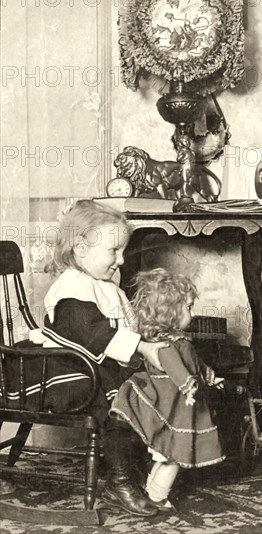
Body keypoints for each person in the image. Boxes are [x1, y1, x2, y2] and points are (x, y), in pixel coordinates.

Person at [40, 200, 169, 516]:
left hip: (95, 363)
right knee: (118, 398)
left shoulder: (99, 283)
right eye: (114, 251)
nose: (121, 260)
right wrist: (140, 348)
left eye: (123, 251)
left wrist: (149, 338)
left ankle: (133, 465)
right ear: (81, 248)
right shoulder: (72, 290)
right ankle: (119, 479)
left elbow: (121, 323)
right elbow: (95, 333)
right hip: (68, 370)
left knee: (145, 387)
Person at [109, 268, 226, 510]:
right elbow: (175, 367)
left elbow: (194, 364)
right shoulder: (165, 344)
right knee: (174, 456)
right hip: (170, 406)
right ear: (171, 312)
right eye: (189, 307)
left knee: (171, 456)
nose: (192, 314)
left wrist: (208, 375)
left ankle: (152, 492)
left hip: (179, 405)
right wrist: (187, 384)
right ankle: (156, 496)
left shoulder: (180, 341)